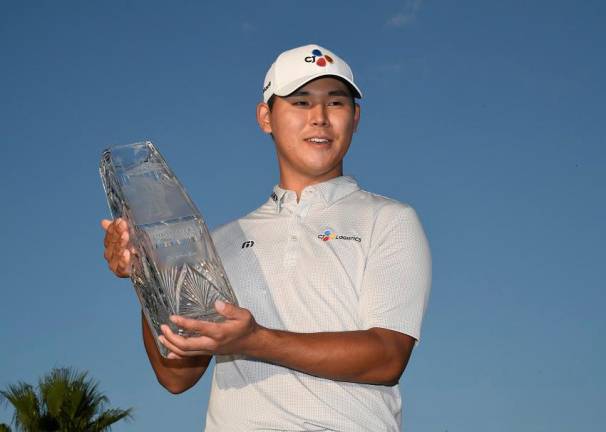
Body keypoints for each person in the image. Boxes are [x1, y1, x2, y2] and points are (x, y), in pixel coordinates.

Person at [101, 44, 432, 431]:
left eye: (336, 103)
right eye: (300, 102)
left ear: (355, 118)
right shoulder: (220, 242)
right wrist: (148, 276)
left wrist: (253, 340)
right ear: (266, 117)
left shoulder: (389, 220)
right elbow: (177, 376)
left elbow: (387, 357)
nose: (320, 118)